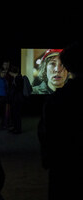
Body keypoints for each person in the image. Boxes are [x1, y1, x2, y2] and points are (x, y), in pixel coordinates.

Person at [38, 41, 83, 200]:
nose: (57, 69)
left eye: (61, 64)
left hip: (62, 170)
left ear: (68, 67)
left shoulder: (56, 100)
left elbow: (46, 135)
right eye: (51, 64)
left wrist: (48, 159)